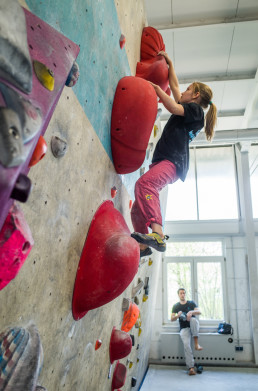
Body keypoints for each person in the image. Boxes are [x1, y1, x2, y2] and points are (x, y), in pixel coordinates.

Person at [130, 51, 217, 257]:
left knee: (144, 185)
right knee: (138, 207)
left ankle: (158, 234)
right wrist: (170, 65)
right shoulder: (188, 107)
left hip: (173, 162)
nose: (183, 91)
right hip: (165, 161)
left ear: (195, 96)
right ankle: (143, 246)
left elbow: (171, 104)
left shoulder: (197, 113)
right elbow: (176, 88)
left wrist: (157, 89)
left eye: (189, 89)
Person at [171, 288, 202, 376]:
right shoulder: (176, 306)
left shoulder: (191, 303)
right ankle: (191, 368)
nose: (183, 295)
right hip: (184, 328)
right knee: (186, 345)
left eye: (184, 293)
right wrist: (178, 315)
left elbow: (199, 312)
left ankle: (196, 344)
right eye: (181, 293)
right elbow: (172, 319)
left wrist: (191, 312)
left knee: (194, 320)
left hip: (193, 326)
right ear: (178, 295)